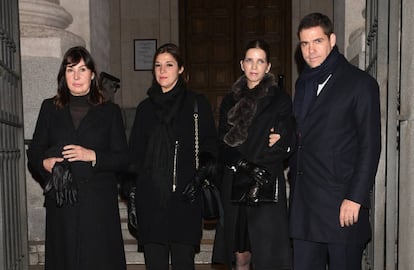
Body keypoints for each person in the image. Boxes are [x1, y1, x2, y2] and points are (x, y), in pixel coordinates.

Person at [288, 13, 381, 270]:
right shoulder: (303, 84)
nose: (310, 50)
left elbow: (370, 146)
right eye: (304, 44)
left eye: (317, 41)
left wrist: (355, 197)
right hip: (305, 208)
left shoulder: (361, 84)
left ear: (332, 39)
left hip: (341, 207)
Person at [26, 46, 128, 270]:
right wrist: (44, 163)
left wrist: (92, 155)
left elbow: (123, 158)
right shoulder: (49, 108)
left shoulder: (110, 111)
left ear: (92, 75)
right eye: (71, 70)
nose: (77, 76)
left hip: (98, 205)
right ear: (64, 75)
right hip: (63, 204)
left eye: (83, 69)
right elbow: (34, 152)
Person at [128, 43, 217, 270]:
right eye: (158, 65)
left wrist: (200, 177)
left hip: (185, 200)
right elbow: (134, 156)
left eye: (169, 65)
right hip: (151, 201)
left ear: (180, 69)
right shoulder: (145, 109)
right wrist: (132, 195)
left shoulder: (197, 104)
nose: (162, 70)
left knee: (183, 264)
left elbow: (209, 145)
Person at [212, 39, 293, 270]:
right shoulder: (230, 100)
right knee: (240, 256)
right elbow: (223, 145)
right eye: (249, 60)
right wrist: (244, 165)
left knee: (267, 256)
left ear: (268, 67)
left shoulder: (279, 99)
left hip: (265, 181)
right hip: (236, 181)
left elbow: (283, 139)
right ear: (242, 64)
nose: (254, 66)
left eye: (260, 61)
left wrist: (278, 143)